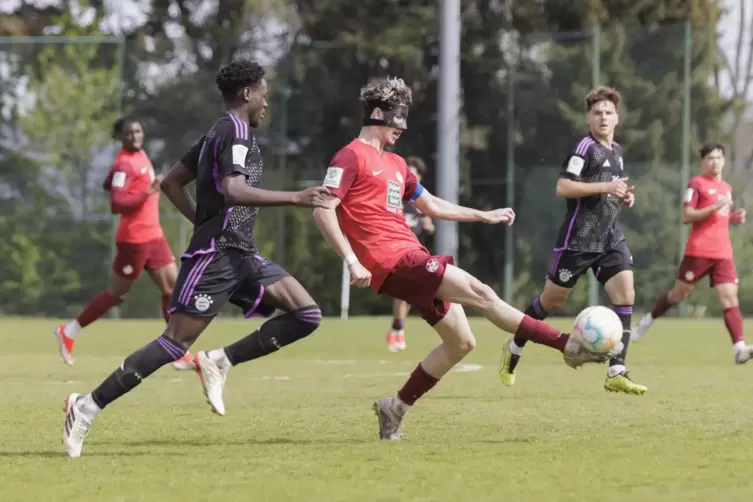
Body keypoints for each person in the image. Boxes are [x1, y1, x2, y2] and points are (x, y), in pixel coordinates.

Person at [312, 76, 617, 441]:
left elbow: (432, 205)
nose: (403, 127)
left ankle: (394, 408)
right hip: (392, 262)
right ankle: (566, 344)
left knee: (461, 342)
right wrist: (351, 259)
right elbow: (323, 209)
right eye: (398, 117)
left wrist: (482, 215)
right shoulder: (349, 156)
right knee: (481, 292)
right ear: (379, 113)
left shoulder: (396, 164)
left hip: (412, 255)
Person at [61, 59, 332, 458]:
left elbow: (171, 182)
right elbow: (234, 190)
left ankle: (218, 361)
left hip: (241, 253)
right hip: (217, 257)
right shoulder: (234, 132)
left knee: (306, 314)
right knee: (174, 343)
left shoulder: (218, 131)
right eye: (263, 95)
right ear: (246, 93)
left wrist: (204, 221)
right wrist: (295, 196)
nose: (266, 104)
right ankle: (86, 405)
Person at [498, 86, 647, 395]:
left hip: (609, 238)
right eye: (597, 113)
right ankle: (515, 346)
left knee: (626, 294)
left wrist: (624, 196)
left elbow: (611, 191)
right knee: (551, 302)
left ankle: (616, 370)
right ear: (588, 118)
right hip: (578, 240)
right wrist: (607, 186)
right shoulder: (584, 148)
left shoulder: (617, 152)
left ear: (617, 117)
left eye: (608, 112)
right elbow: (564, 187)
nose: (603, 117)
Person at [54, 116, 177, 366]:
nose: (135, 136)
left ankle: (175, 349)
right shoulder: (124, 164)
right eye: (129, 133)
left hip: (154, 235)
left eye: (138, 131)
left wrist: (130, 185)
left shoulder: (138, 156)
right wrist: (148, 190)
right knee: (116, 295)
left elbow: (109, 184)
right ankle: (68, 332)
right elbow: (116, 204)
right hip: (134, 240)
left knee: (172, 289)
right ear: (120, 137)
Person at [632, 143, 753, 363]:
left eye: (718, 157)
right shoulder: (696, 184)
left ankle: (739, 348)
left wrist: (735, 217)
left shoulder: (726, 187)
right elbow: (687, 216)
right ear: (703, 162)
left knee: (730, 299)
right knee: (679, 295)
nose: (714, 162)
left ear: (724, 161)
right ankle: (645, 323)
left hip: (723, 253)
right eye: (709, 158)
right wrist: (714, 207)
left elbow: (721, 218)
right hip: (698, 251)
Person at [386, 156, 435, 352]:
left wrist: (428, 225)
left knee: (409, 296)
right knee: (403, 293)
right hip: (397, 253)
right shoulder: (394, 199)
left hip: (417, 253)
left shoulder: (421, 203)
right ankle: (397, 331)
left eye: (414, 175)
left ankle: (397, 329)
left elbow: (430, 227)